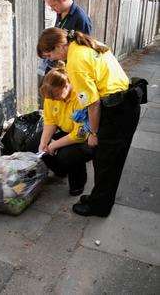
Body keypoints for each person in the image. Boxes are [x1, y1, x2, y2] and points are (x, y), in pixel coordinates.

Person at [37, 28, 144, 217]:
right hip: (125, 103)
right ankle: (98, 199)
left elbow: (93, 104)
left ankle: (100, 206)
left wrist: (93, 133)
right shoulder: (83, 46)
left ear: (60, 45)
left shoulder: (75, 62)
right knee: (107, 161)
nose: (53, 60)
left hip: (117, 110)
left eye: (51, 54)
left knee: (107, 164)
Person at [39, 63, 94, 196]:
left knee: (69, 154)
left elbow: (80, 135)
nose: (54, 100)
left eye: (57, 95)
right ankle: (61, 170)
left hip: (87, 136)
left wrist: (53, 145)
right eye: (51, 98)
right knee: (40, 147)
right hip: (68, 131)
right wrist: (44, 143)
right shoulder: (51, 97)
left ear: (67, 84)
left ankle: (78, 183)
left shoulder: (81, 96)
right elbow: (50, 121)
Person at [38, 0, 92, 78]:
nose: (52, 9)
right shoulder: (60, 12)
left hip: (70, 72)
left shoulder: (81, 19)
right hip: (56, 66)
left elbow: (85, 51)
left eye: (54, 5)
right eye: (50, 7)